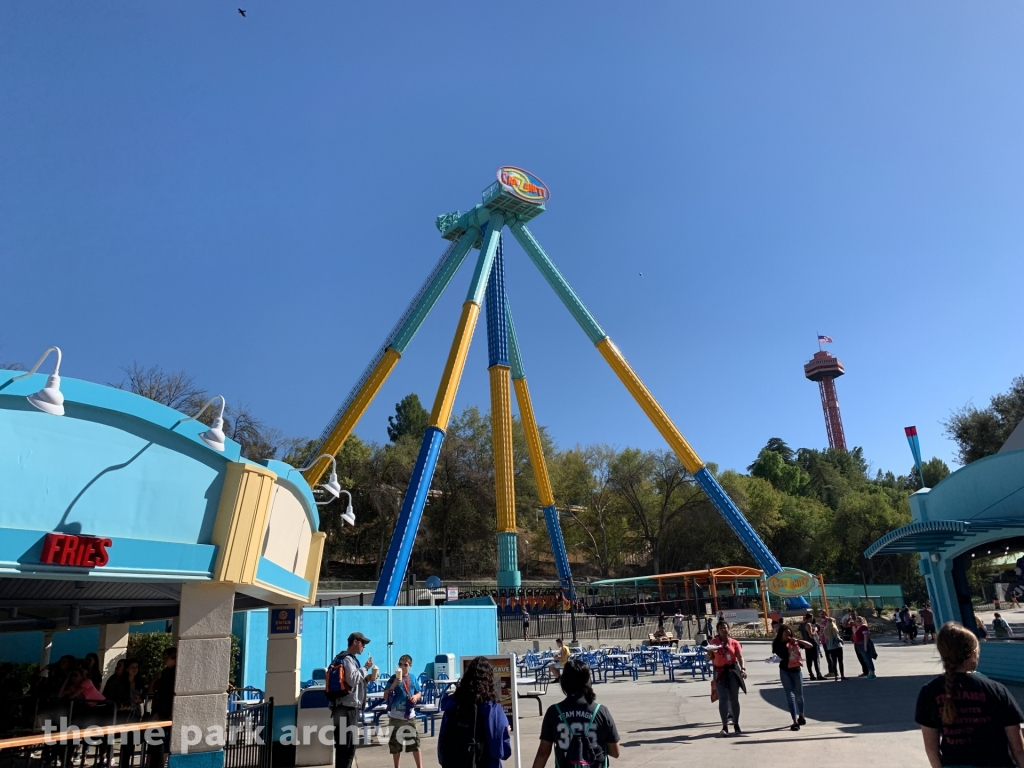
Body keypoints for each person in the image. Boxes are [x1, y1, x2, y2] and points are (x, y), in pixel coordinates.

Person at [915, 622, 1024, 768]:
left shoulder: (928, 692)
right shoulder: (996, 690)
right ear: (972, 654)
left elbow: (932, 750)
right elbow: (1017, 748)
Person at [532, 659, 620, 768]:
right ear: (588, 681)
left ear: (564, 682)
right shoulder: (600, 711)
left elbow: (543, 753)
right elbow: (615, 752)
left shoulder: (554, 711)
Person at [438, 656, 511, 768]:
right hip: (483, 762)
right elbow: (498, 748)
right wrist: (505, 731)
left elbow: (443, 736)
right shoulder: (491, 707)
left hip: (455, 761)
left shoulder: (453, 703)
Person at [330, 632, 378, 768]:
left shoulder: (350, 659)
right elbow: (352, 680)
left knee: (346, 746)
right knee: (347, 747)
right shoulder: (347, 659)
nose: (364, 647)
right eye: (363, 643)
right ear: (355, 642)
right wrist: (366, 668)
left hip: (345, 708)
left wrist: (367, 678)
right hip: (347, 708)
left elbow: (354, 680)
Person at [705, 621, 746, 736]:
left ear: (728, 629)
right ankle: (724, 726)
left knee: (734, 699)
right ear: (717, 630)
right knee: (723, 699)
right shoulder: (713, 642)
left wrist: (743, 669)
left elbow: (740, 657)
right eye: (721, 628)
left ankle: (736, 724)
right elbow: (709, 658)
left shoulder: (734, 642)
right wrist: (709, 652)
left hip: (733, 671)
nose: (724, 629)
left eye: (725, 627)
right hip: (719, 672)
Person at [772, 625, 813, 731]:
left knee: (799, 695)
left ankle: (801, 715)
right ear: (781, 634)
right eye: (786, 634)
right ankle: (794, 721)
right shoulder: (777, 644)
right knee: (790, 696)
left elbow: (810, 646)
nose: (788, 636)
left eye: (789, 634)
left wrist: (798, 641)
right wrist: (789, 649)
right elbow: (781, 655)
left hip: (796, 671)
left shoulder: (794, 642)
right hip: (785, 671)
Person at [385, 655, 422, 768]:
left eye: (405, 665)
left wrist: (415, 697)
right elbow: (385, 696)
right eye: (400, 664)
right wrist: (394, 683)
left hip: (409, 716)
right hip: (396, 717)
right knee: (395, 745)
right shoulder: (392, 678)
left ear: (410, 666)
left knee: (415, 743)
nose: (402, 667)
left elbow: (419, 692)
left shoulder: (413, 678)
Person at [821, 615, 846, 681]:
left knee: (834, 661)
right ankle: (842, 675)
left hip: (830, 647)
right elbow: (836, 637)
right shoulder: (834, 628)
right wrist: (841, 640)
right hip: (837, 646)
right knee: (840, 661)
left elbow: (826, 639)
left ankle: (835, 676)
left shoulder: (825, 629)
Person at [799, 613, 823, 681]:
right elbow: (811, 635)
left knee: (809, 660)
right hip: (812, 643)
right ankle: (818, 674)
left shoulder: (801, 625)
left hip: (806, 644)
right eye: (811, 618)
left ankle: (811, 674)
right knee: (816, 660)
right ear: (809, 618)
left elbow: (801, 636)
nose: (812, 619)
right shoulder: (808, 624)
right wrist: (815, 629)